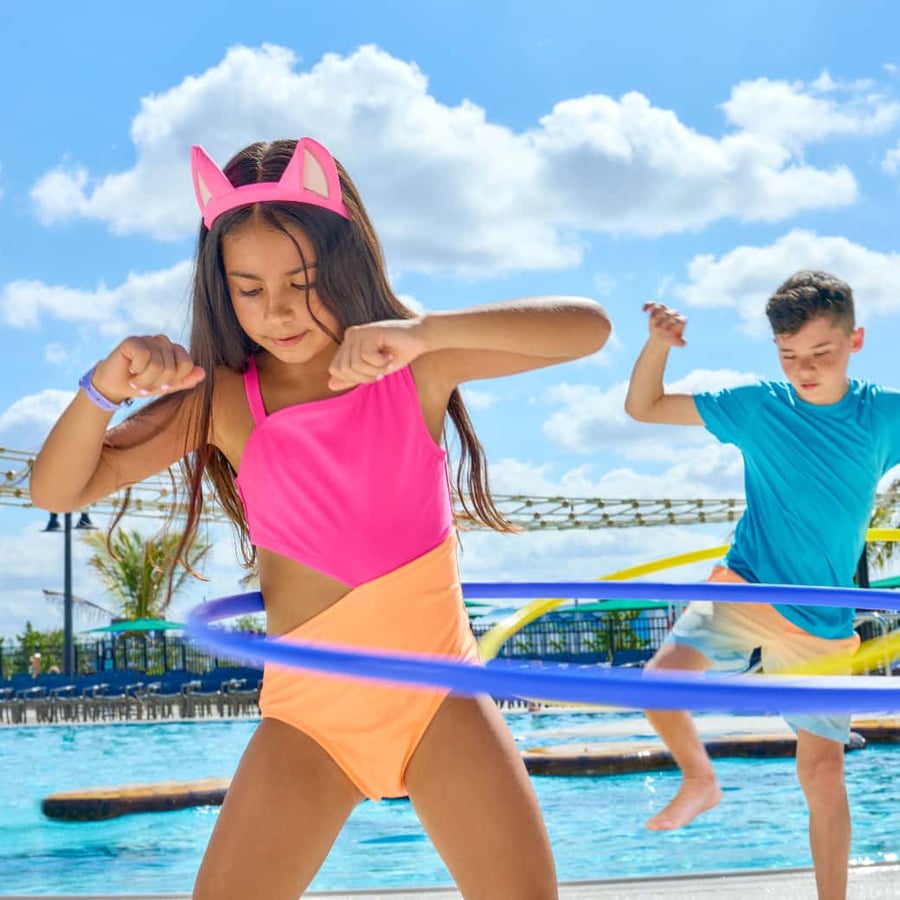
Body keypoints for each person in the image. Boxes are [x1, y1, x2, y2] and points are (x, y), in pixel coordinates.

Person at [30, 136, 611, 899]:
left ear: (345, 263)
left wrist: (425, 331)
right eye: (249, 288)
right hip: (310, 719)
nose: (278, 310)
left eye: (302, 281)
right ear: (220, 290)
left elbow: (589, 327)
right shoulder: (229, 399)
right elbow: (60, 489)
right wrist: (102, 389)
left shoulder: (414, 365)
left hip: (439, 698)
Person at [624, 270, 900, 900]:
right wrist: (659, 344)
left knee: (824, 775)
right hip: (746, 587)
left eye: (821, 354)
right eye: (789, 356)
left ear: (856, 340)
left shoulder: (884, 415)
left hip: (823, 620)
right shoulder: (759, 407)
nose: (805, 369)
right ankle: (700, 779)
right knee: (660, 681)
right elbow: (643, 407)